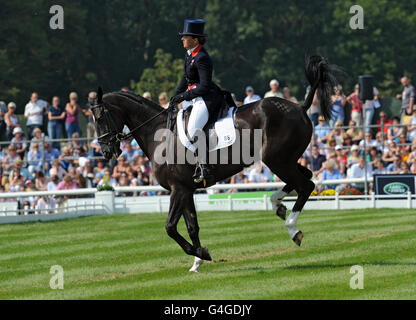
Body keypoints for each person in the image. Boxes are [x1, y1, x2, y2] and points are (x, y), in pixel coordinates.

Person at [169, 18, 226, 183]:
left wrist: (183, 96)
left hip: (207, 98)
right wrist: (175, 96)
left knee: (194, 128)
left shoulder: (202, 57)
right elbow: (185, 79)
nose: (182, 39)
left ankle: (204, 166)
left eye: (185, 36)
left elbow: (204, 87)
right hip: (195, 98)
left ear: (195, 39)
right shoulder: (189, 55)